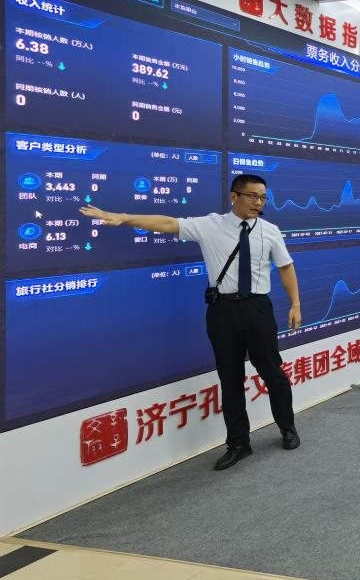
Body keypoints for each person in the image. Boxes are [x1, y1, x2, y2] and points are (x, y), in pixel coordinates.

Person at [79, 174, 302, 471]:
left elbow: (286, 267)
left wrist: (295, 304)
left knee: (272, 372)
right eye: (252, 196)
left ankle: (287, 427)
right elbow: (167, 223)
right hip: (222, 310)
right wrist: (124, 218)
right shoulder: (210, 225)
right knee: (230, 378)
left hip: (257, 308)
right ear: (234, 197)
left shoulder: (270, 231)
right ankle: (238, 443)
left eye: (262, 197)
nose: (258, 203)